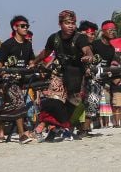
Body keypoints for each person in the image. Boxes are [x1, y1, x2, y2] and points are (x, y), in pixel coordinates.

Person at [32, 10, 94, 139]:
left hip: (76, 76)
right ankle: (45, 126)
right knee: (54, 102)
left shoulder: (80, 38)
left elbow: (87, 50)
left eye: (73, 23)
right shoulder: (54, 38)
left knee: (72, 105)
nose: (71, 26)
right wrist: (34, 62)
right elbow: (46, 52)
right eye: (67, 23)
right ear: (60, 24)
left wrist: (88, 57)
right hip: (58, 73)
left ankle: (58, 129)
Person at [0, 15, 35, 144]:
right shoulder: (7, 44)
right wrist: (0, 78)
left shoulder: (28, 45)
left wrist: (33, 66)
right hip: (8, 81)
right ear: (15, 27)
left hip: (20, 80)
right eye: (23, 26)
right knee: (19, 102)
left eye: (27, 26)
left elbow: (32, 61)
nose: (25, 28)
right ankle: (22, 135)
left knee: (7, 107)